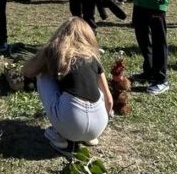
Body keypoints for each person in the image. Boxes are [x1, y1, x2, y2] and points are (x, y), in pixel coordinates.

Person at [22, 17, 113, 151]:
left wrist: (44, 61)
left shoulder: (55, 51)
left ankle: (58, 135)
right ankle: (88, 137)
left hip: (70, 123)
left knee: (42, 75)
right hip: (98, 127)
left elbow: (28, 71)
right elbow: (109, 101)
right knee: (98, 91)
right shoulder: (93, 58)